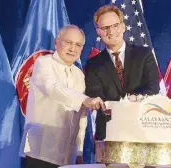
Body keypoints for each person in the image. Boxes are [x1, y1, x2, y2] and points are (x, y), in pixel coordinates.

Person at [19, 25, 106, 168]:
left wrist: (78, 150)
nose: (73, 48)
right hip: (40, 151)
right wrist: (85, 99)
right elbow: (53, 88)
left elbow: (81, 115)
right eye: (68, 42)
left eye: (78, 45)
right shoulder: (44, 63)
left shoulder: (79, 74)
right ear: (56, 42)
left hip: (67, 155)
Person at [84, 5, 160, 141]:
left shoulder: (144, 54)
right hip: (109, 133)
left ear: (123, 27)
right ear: (98, 32)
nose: (111, 31)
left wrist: (133, 99)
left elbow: (153, 87)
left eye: (115, 25)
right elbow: (96, 95)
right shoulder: (92, 64)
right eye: (105, 28)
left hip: (143, 129)